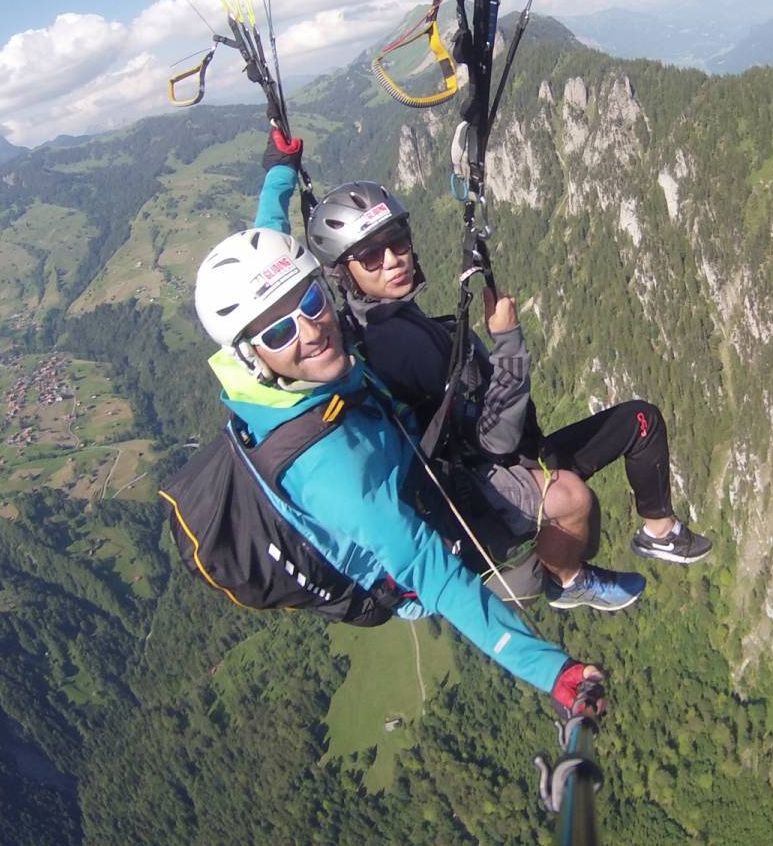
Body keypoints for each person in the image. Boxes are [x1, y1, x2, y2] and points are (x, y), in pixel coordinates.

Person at [189, 128, 604, 719]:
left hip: (401, 460)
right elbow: (434, 577)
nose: (311, 330)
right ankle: (527, 578)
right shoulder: (337, 473)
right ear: (253, 354)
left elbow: (271, 244)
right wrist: (556, 675)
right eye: (281, 332)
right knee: (552, 509)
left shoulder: (273, 361)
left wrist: (280, 170)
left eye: (310, 304)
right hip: (405, 560)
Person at [304, 175, 713, 613]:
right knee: (575, 500)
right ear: (344, 272)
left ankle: (659, 531)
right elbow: (494, 439)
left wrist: (281, 167)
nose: (392, 260)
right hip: (480, 483)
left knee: (639, 421)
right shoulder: (400, 344)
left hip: (494, 455)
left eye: (397, 242)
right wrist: (508, 340)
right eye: (370, 255)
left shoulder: (379, 319)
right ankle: (567, 577)